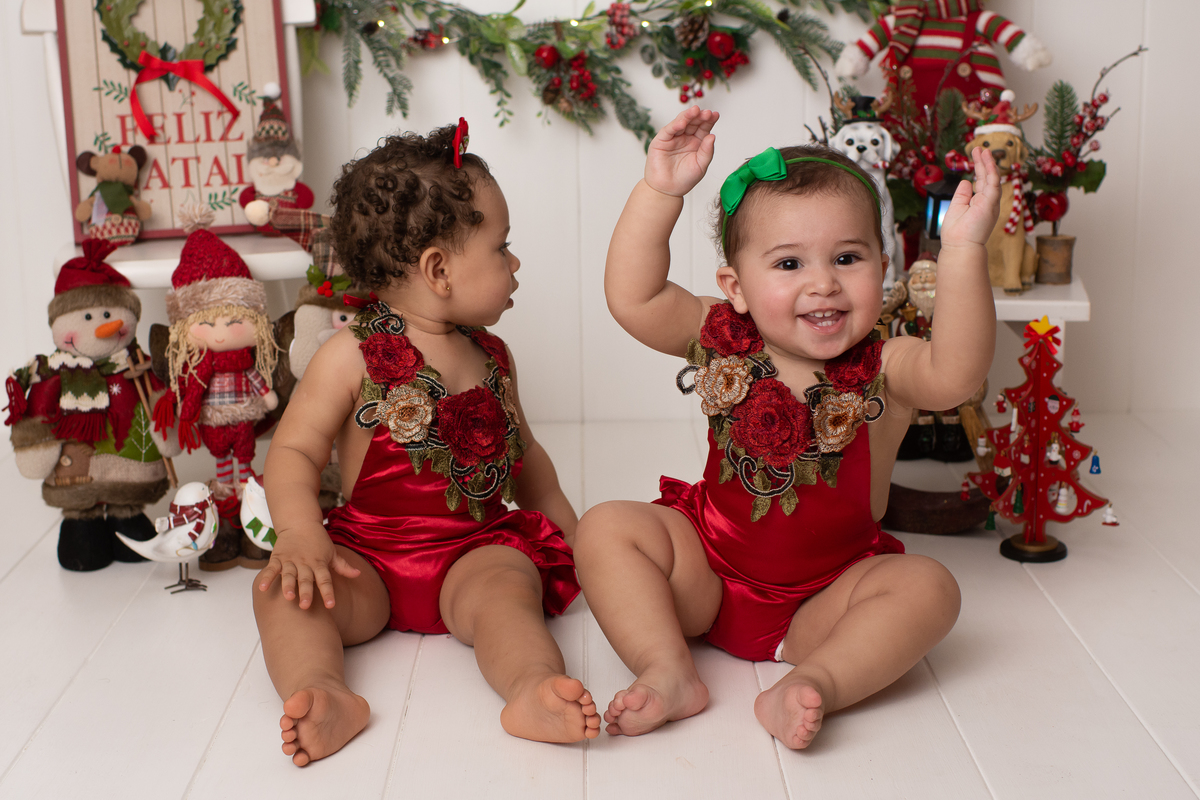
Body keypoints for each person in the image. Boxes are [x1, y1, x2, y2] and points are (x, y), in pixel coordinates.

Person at [574, 107, 1000, 750]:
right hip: (707, 574)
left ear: (882, 267)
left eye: (847, 257)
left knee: (929, 588)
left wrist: (964, 251)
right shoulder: (720, 336)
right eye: (789, 264)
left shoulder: (888, 364)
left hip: (826, 600)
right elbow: (633, 298)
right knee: (605, 526)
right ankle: (667, 666)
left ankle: (815, 682)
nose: (823, 282)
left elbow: (959, 373)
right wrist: (660, 192)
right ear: (735, 287)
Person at [253, 122, 598, 767]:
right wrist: (302, 536)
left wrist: (573, 535)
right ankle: (322, 690)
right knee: (282, 591)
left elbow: (527, 461)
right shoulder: (349, 354)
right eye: (503, 247)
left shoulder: (493, 357)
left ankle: (529, 687)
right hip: (368, 558)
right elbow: (295, 452)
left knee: (509, 589)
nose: (515, 262)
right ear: (439, 269)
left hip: (471, 553)